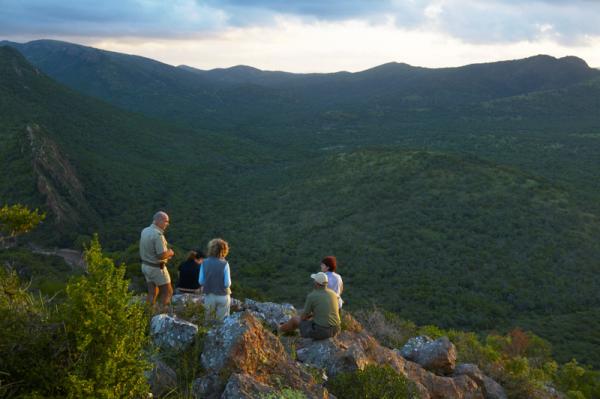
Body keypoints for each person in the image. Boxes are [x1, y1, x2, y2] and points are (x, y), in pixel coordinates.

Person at [278, 272, 341, 340]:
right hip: (336, 329)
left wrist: (307, 316)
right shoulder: (333, 294)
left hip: (322, 332)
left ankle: (279, 329)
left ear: (316, 283)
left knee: (294, 319)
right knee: (312, 320)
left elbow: (303, 317)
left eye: (314, 280)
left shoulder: (312, 296)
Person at [140, 211, 175, 312]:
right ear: (158, 221)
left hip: (145, 266)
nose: (167, 224)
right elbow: (161, 255)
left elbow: (150, 250)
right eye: (166, 221)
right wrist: (170, 252)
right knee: (168, 292)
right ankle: (161, 316)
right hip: (156, 268)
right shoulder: (158, 235)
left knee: (152, 292)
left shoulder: (145, 230)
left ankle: (147, 314)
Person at [199, 238, 232, 321]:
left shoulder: (204, 262)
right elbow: (227, 283)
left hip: (209, 295)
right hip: (223, 296)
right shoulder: (225, 264)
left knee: (208, 321)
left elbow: (201, 281)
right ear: (225, 250)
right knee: (222, 322)